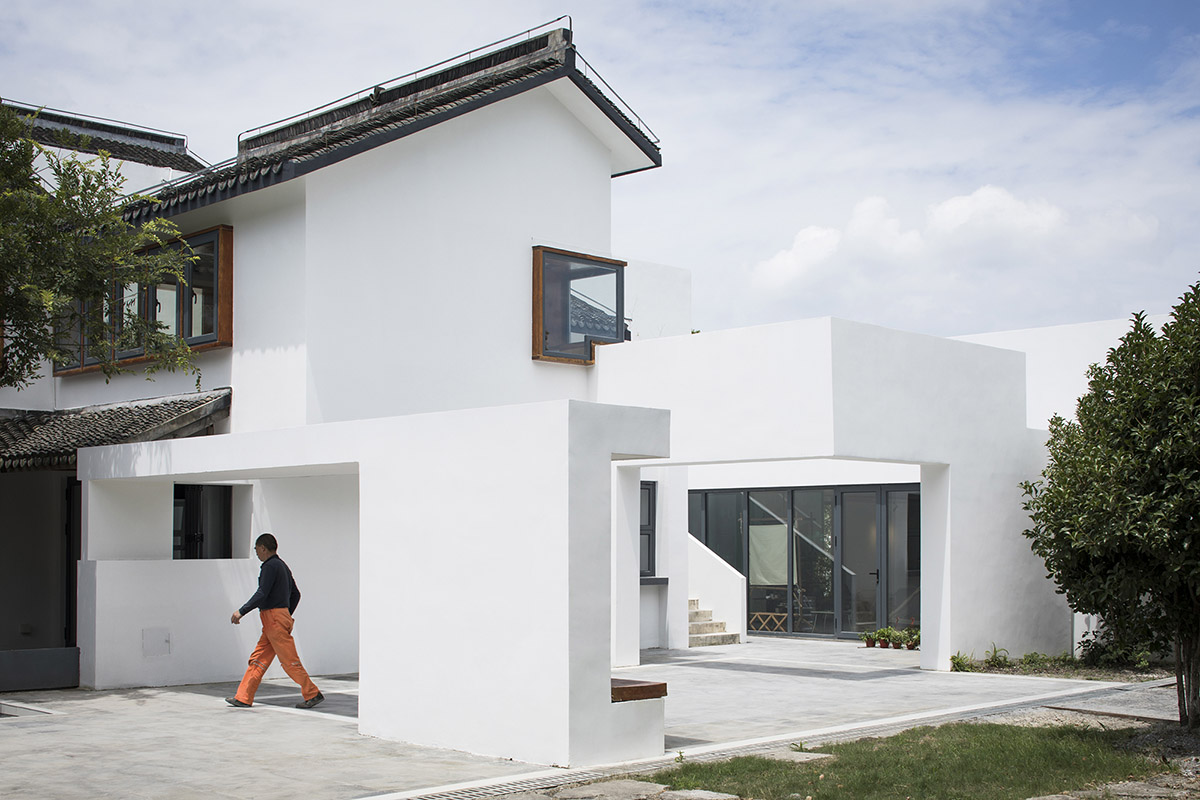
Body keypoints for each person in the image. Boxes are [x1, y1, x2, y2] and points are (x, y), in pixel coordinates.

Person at [226, 533, 324, 709]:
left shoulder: (269, 566)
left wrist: (242, 611)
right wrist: (285, 613)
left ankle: (313, 693)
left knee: (289, 661)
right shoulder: (283, 566)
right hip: (276, 620)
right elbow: (296, 594)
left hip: (273, 620)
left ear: (263, 548)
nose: (256, 553)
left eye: (256, 550)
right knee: (258, 659)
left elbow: (262, 593)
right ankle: (243, 697)